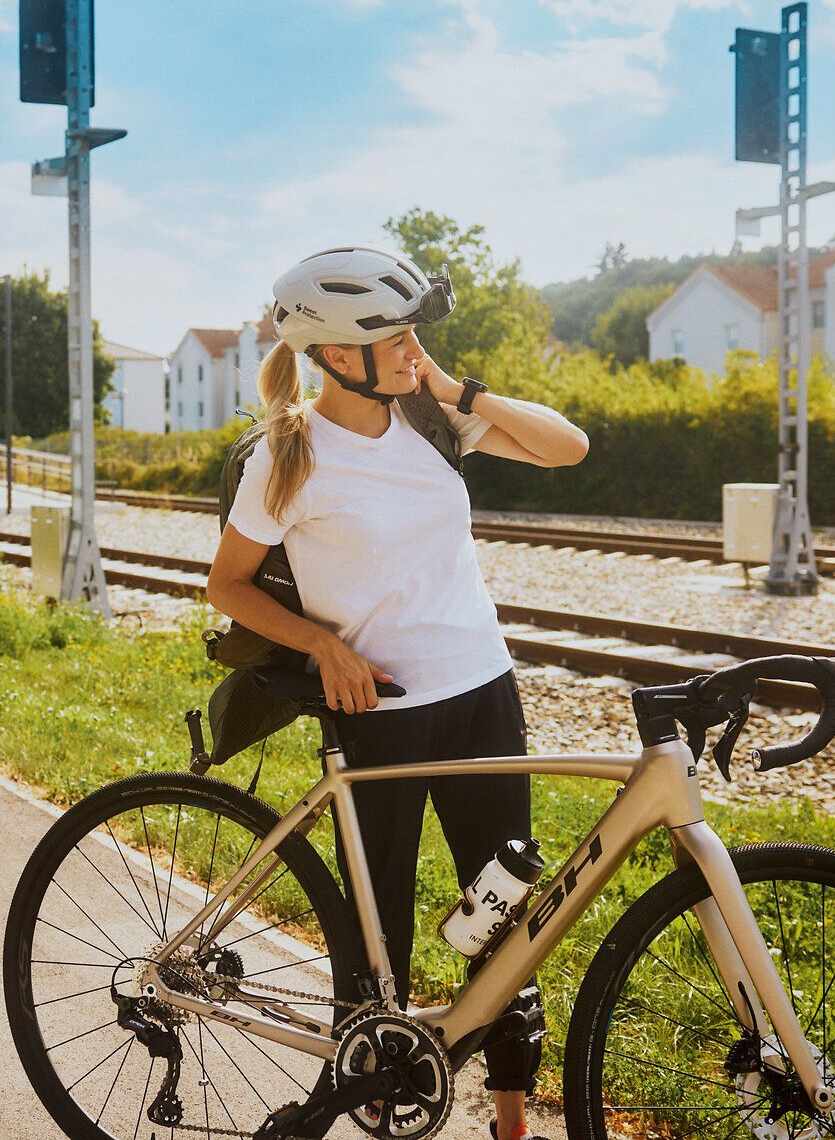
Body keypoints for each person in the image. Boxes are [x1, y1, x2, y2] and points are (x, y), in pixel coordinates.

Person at [206, 245, 589, 1140]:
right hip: (376, 713)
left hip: (483, 695)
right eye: (398, 334)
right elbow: (229, 584)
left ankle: (510, 1124)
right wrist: (321, 645)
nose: (414, 346)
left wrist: (453, 387)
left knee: (501, 921)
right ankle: (377, 1111)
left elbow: (568, 447)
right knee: (377, 945)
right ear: (339, 354)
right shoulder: (286, 454)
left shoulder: (430, 419)